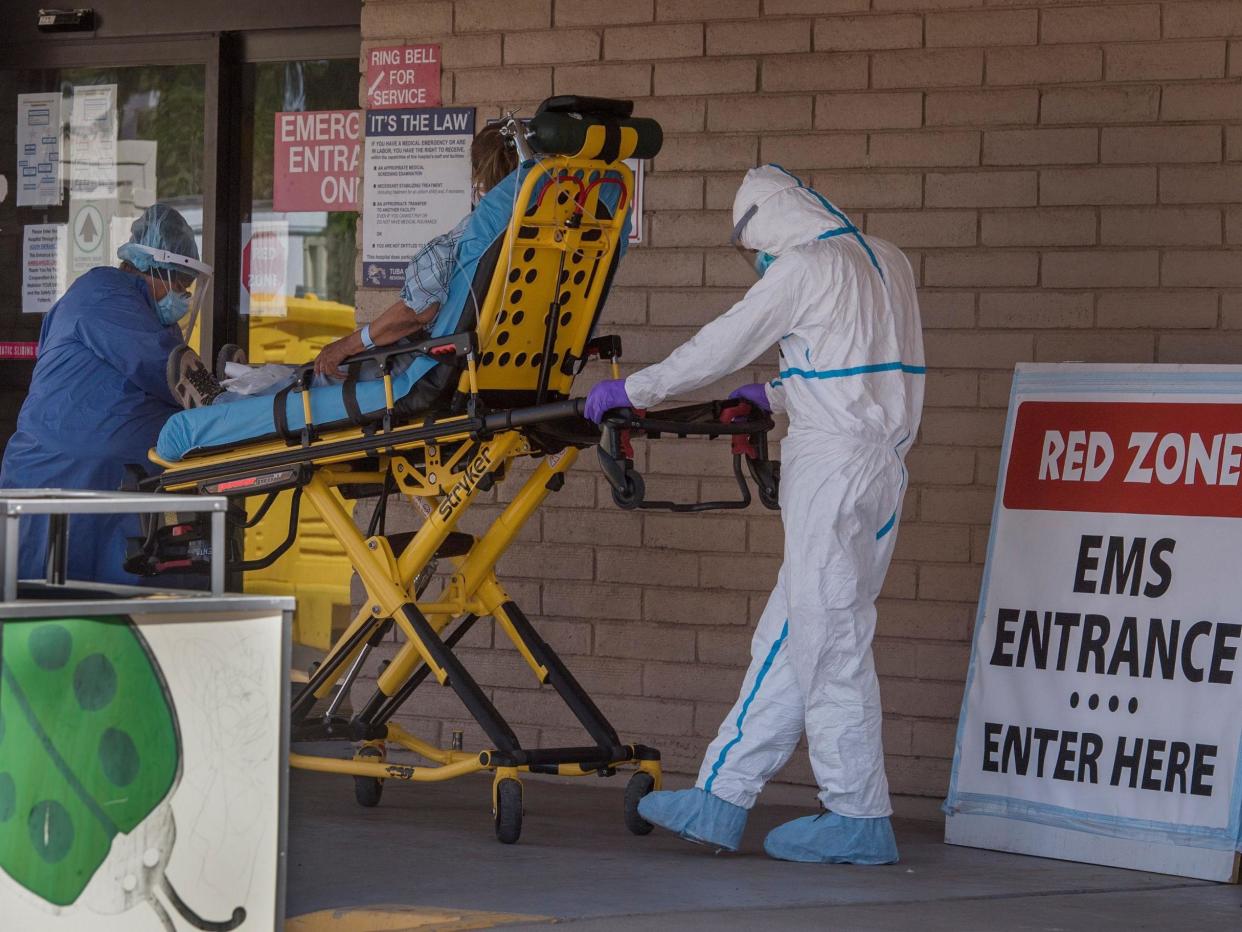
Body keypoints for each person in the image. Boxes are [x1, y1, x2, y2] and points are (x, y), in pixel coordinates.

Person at [584, 164, 924, 864]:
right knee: (794, 637)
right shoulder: (887, 258)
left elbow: (721, 342)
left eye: (755, 248)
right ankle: (722, 797)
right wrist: (774, 396)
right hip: (882, 467)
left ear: (767, 224)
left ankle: (858, 815)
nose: (759, 261)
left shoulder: (804, 267)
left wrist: (633, 390)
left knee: (829, 643)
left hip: (831, 470)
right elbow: (860, 367)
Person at [166, 123, 520, 409]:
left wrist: (349, 345)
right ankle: (246, 378)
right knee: (309, 371)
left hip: (422, 370)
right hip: (479, 370)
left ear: (480, 178)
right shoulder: (525, 236)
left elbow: (417, 312)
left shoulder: (476, 235)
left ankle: (221, 403)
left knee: (322, 374)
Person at [0, 203, 212, 584]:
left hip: (106, 487)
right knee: (45, 619)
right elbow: (171, 373)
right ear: (151, 268)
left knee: (106, 622)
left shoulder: (145, 314)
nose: (181, 296)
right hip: (60, 482)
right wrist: (230, 401)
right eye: (177, 283)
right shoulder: (105, 296)